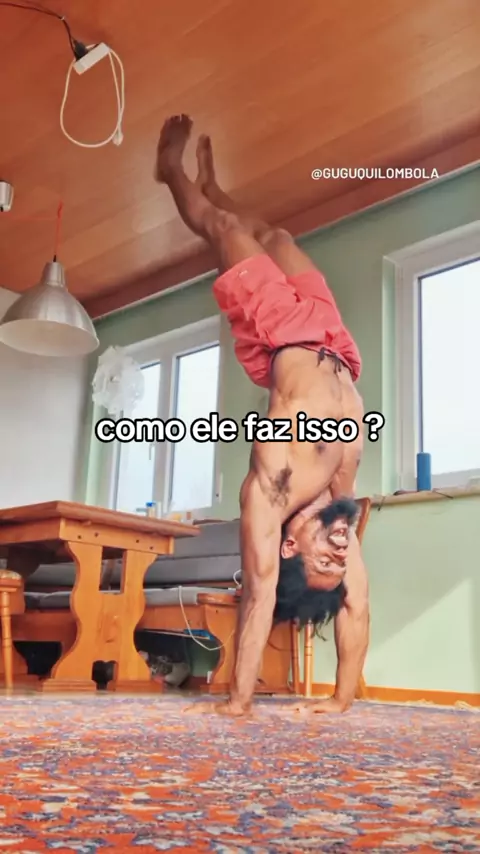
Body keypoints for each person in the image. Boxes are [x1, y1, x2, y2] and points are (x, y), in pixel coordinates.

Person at [155, 115, 369, 717]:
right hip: (335, 341)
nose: (339, 550)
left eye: (324, 559)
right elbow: (357, 607)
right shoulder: (338, 504)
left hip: (280, 331)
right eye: (340, 562)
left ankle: (170, 173)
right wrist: (341, 700)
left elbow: (258, 594)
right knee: (277, 234)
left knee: (224, 229)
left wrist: (239, 701)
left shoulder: (269, 495)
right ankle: (212, 184)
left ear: (290, 547)